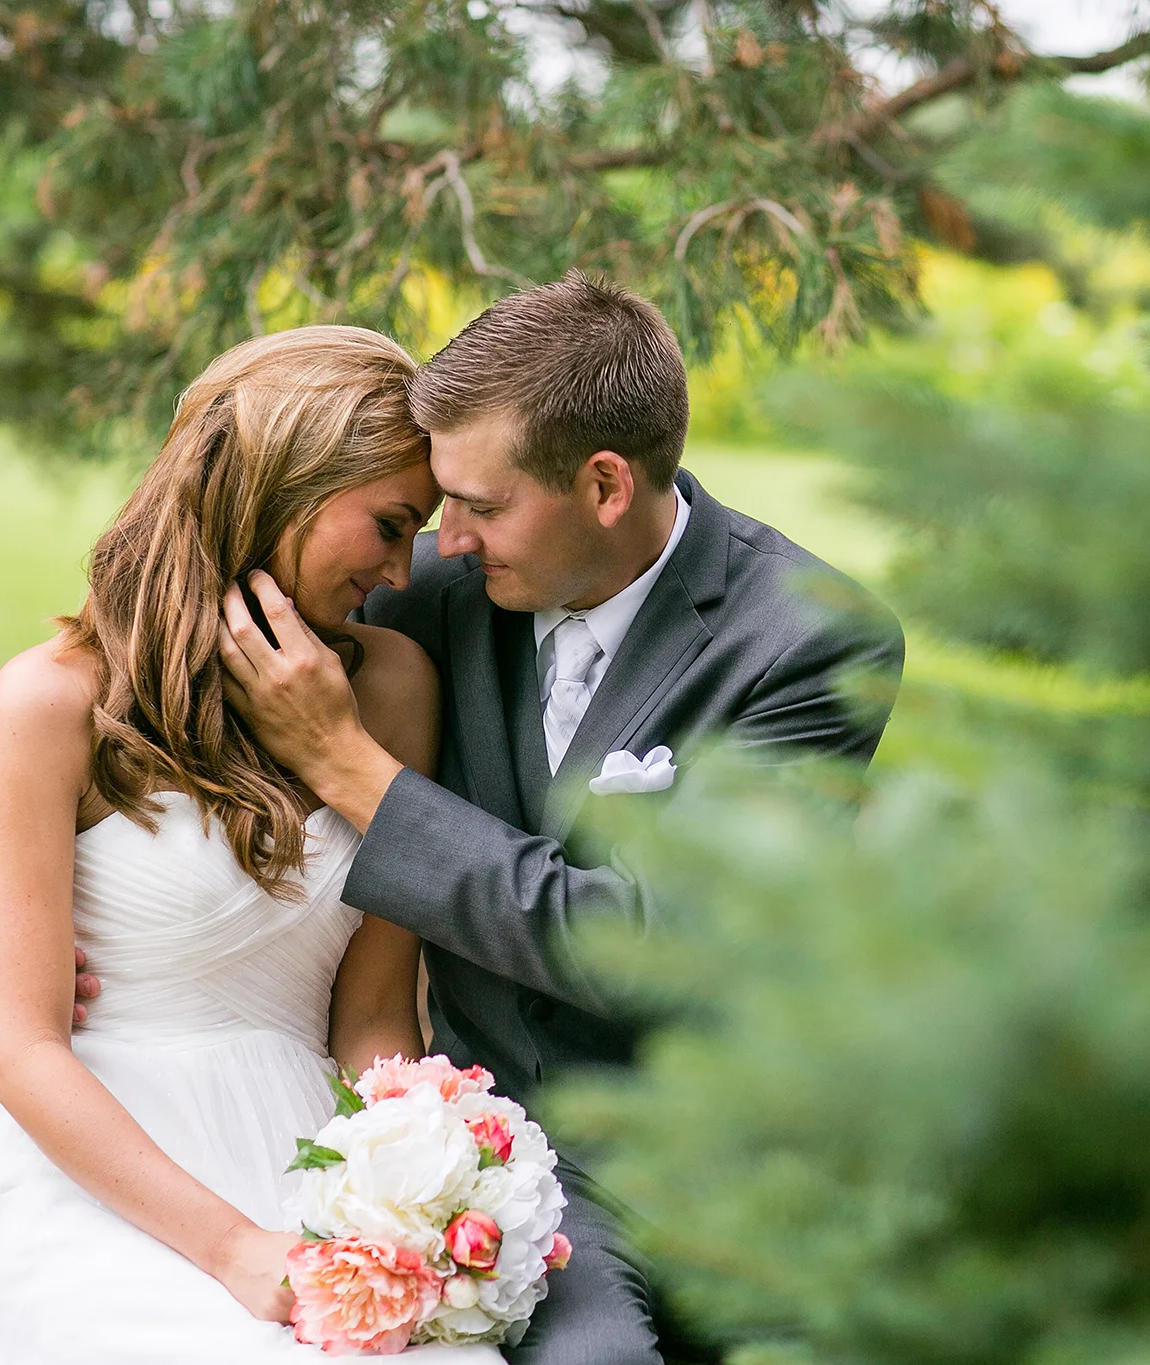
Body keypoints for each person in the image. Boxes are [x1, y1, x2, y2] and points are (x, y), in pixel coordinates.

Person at [217, 273, 906, 1365]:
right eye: (443, 502)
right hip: (511, 1154)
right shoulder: (427, 591)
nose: (446, 536)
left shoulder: (806, 640)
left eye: (483, 507)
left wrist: (357, 772)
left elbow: (664, 948)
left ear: (603, 484)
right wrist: (105, 909)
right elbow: (192, 646)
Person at [0, 326, 504, 1363]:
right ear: (288, 483)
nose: (402, 570)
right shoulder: (52, 704)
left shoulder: (392, 686)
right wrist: (232, 1249)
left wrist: (422, 1179)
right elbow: (25, 1046)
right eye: (391, 524)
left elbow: (373, 1015)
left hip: (303, 1153)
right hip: (97, 1177)